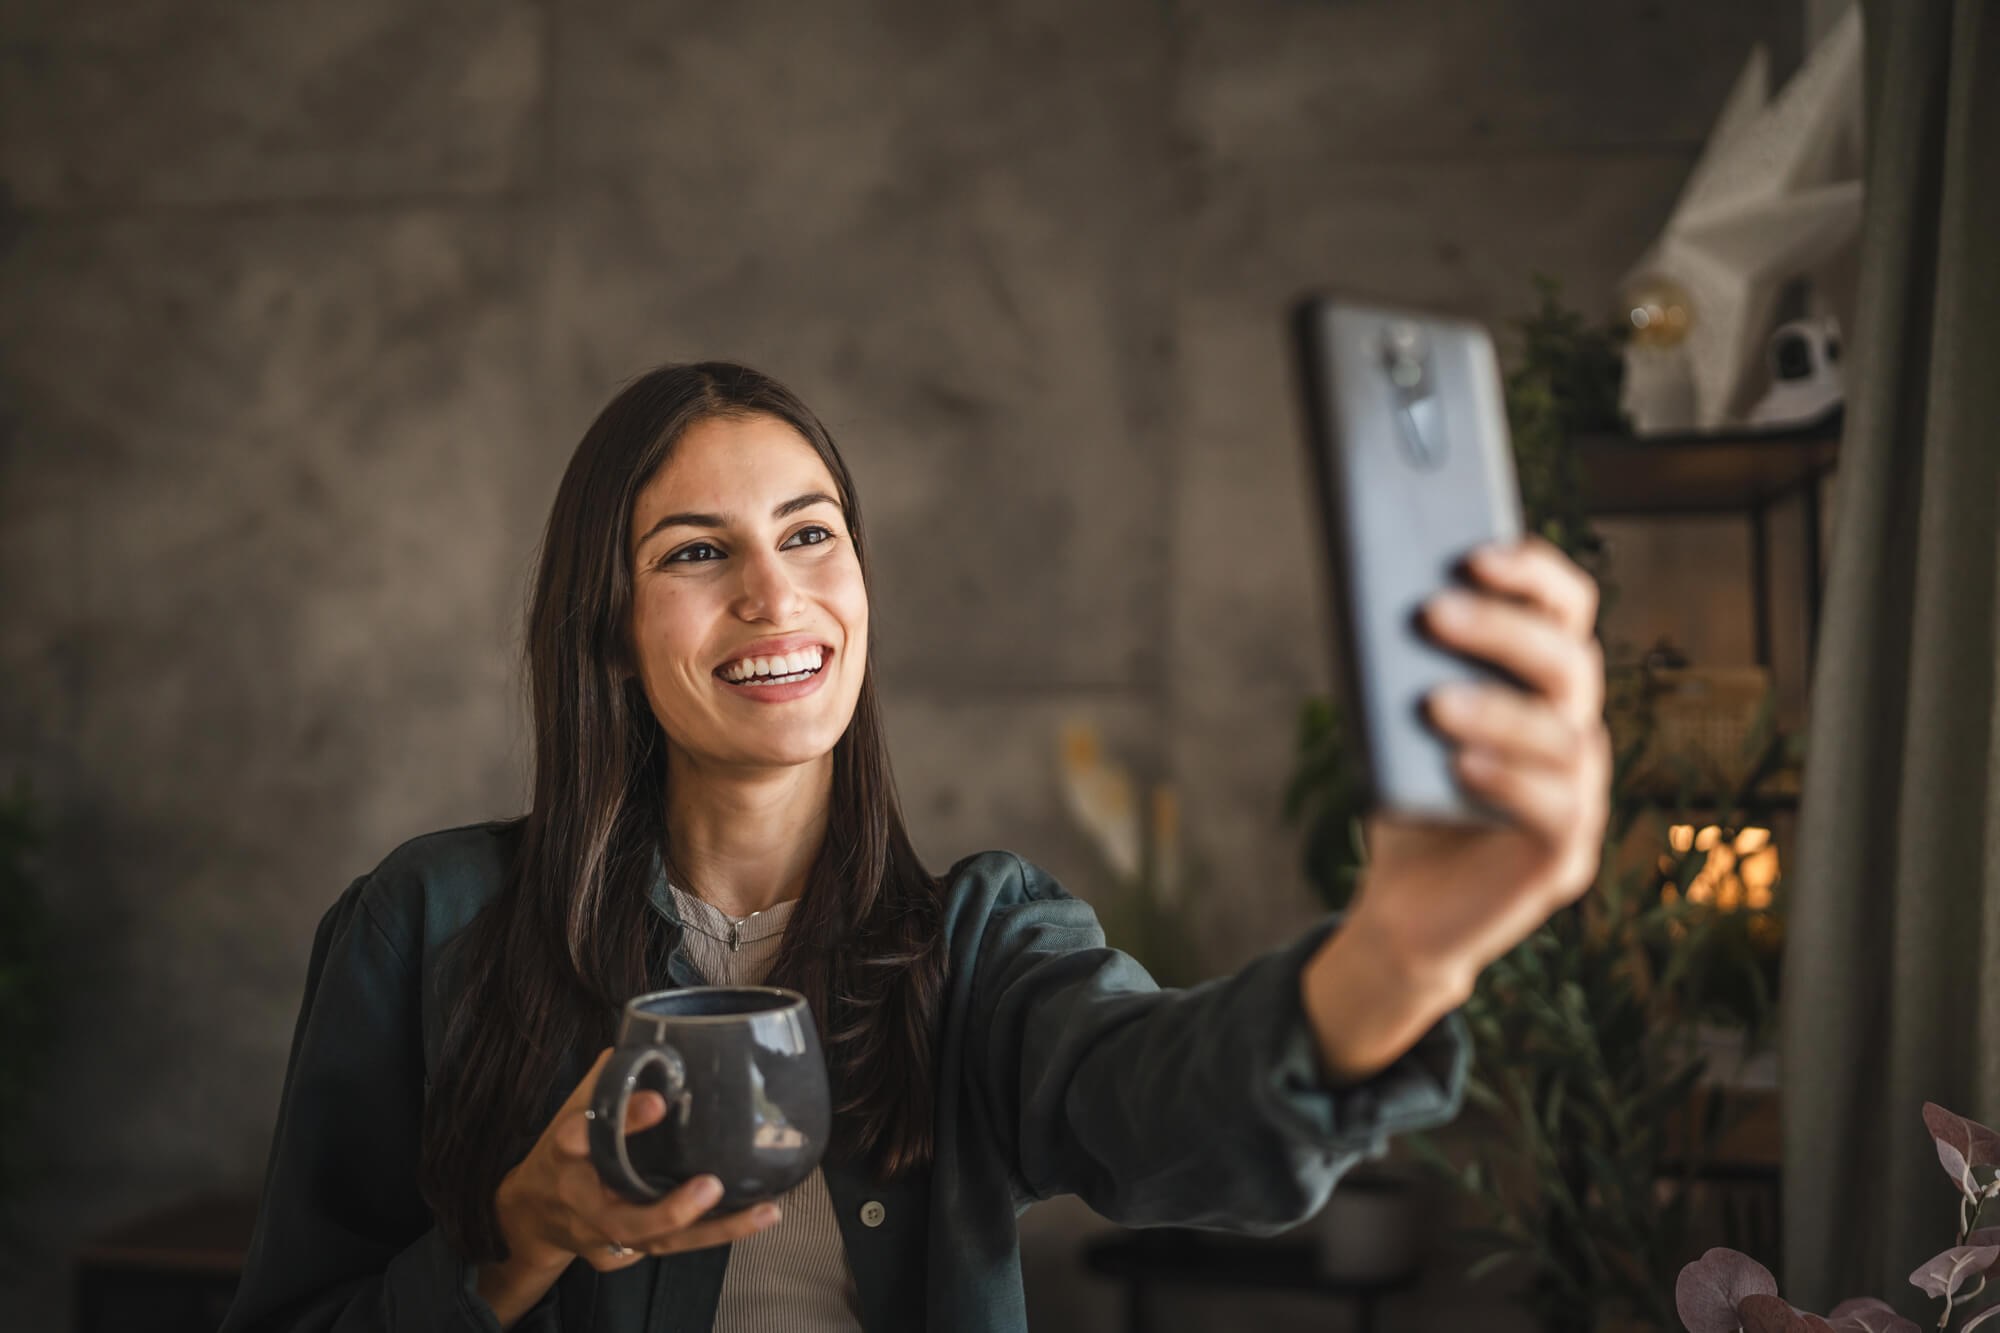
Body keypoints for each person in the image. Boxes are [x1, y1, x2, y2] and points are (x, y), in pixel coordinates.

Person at [219, 361, 1611, 1333]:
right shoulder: (425, 926)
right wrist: (517, 1240)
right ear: (608, 630)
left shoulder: (983, 943)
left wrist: (1401, 950)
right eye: (698, 553)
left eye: (811, 533)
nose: (776, 593)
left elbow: (1172, 1105)